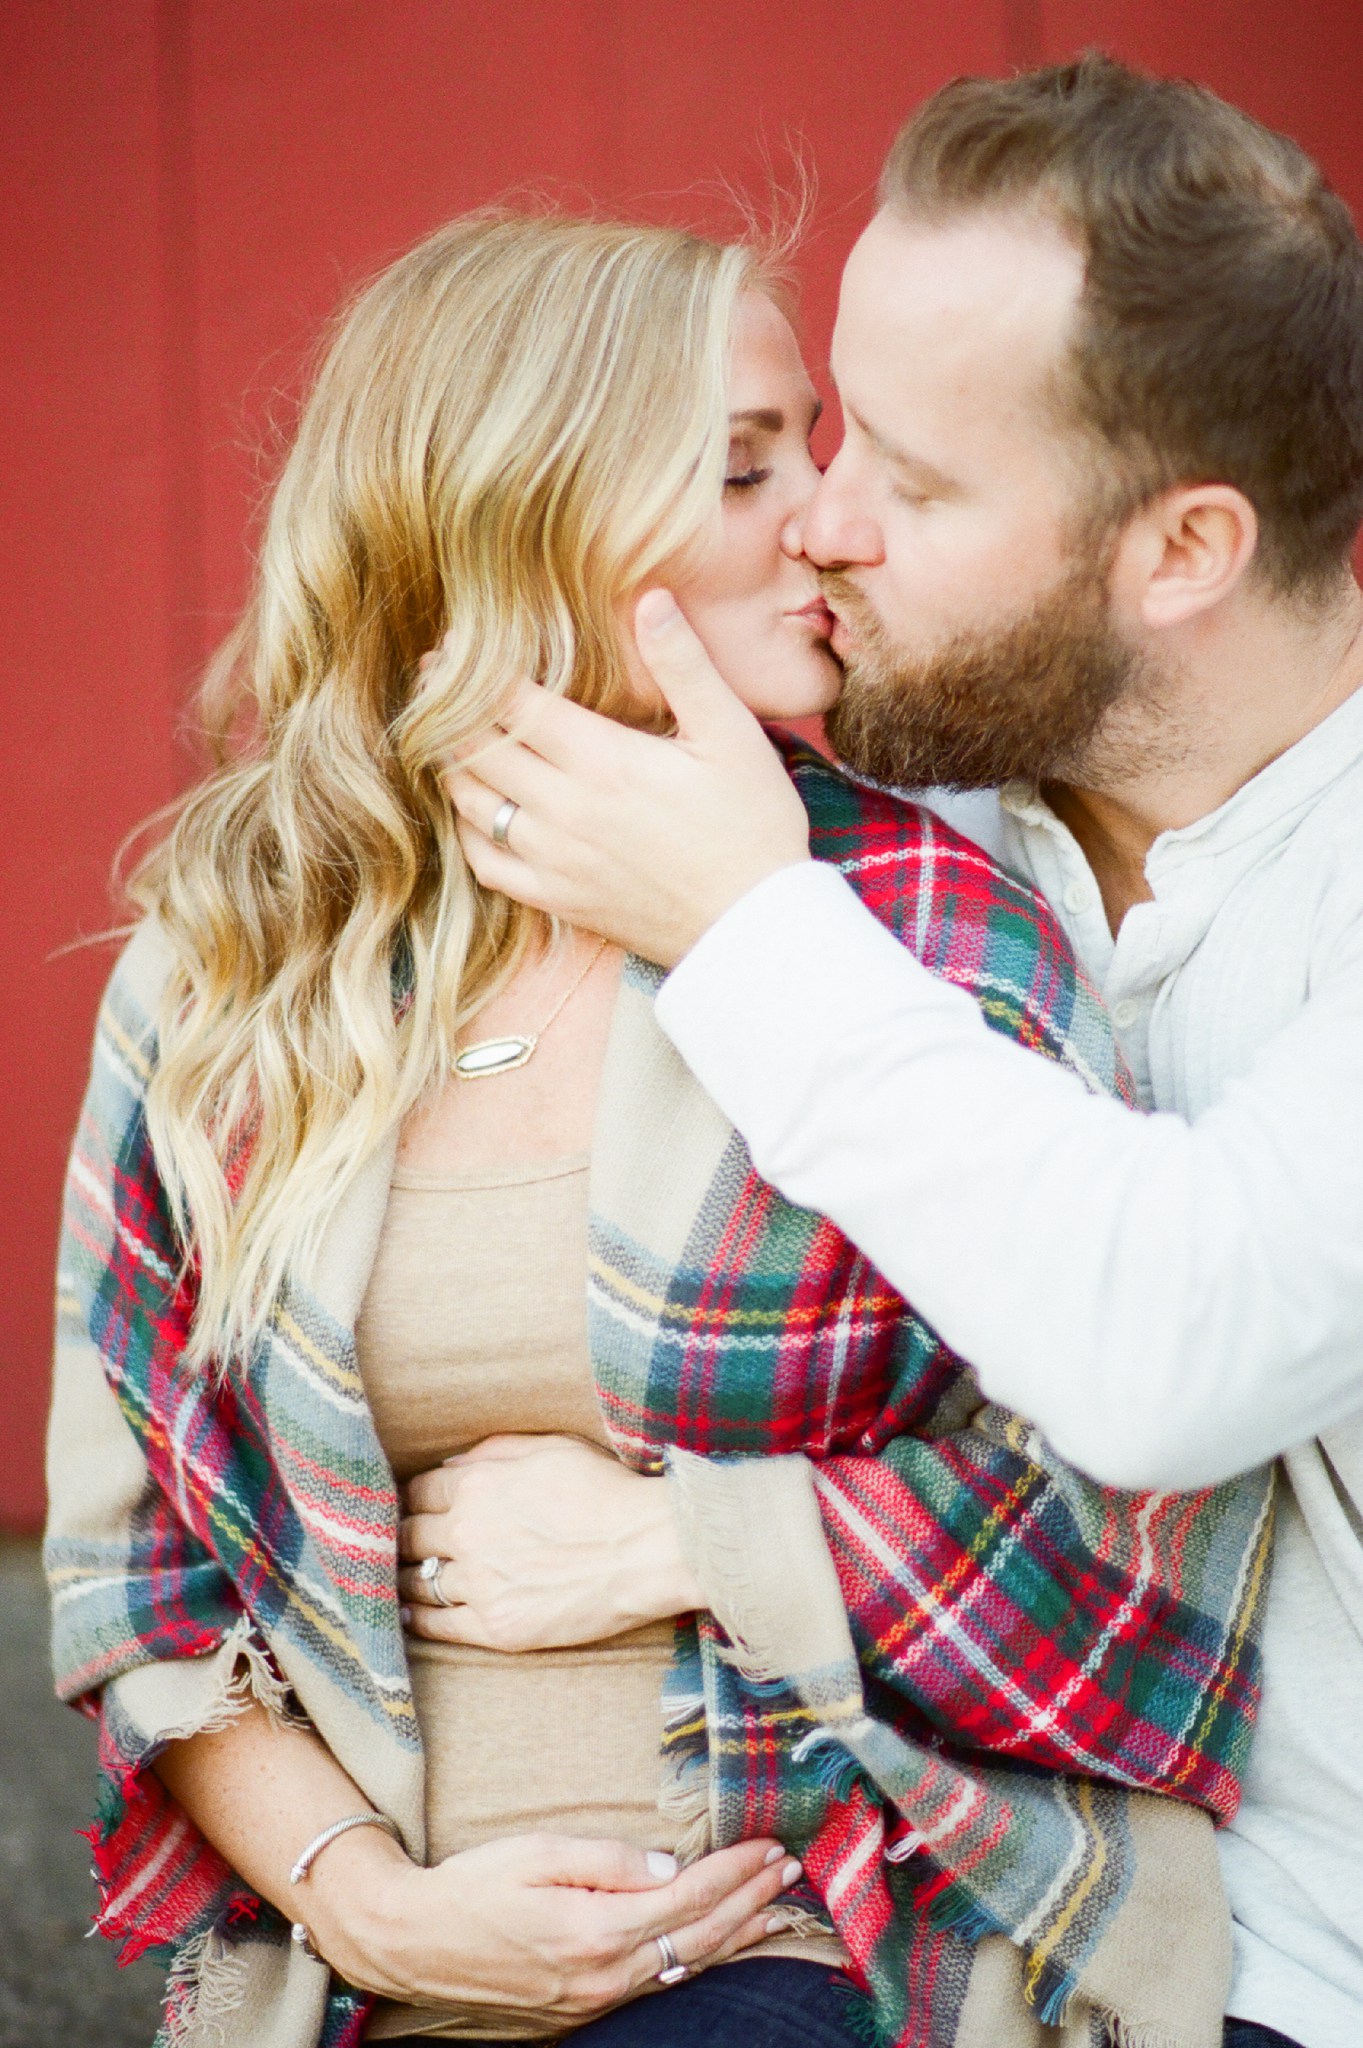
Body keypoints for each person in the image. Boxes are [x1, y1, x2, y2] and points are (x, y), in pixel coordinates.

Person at [46, 208, 1264, 2048]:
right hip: (361, 1969)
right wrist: (376, 1909)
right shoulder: (232, 980)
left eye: (824, 451)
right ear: (533, 504)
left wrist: (706, 1540)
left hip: (817, 1940)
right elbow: (139, 1578)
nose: (829, 520)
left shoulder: (920, 929)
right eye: (747, 463)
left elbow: (1140, 1523)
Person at [441, 59, 1363, 2048]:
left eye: (919, 484)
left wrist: (744, 925)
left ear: (1183, 548)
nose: (827, 525)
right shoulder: (921, 805)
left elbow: (1162, 1346)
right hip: (932, 1897)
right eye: (827, 430)